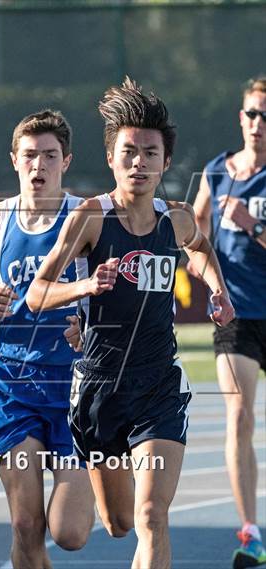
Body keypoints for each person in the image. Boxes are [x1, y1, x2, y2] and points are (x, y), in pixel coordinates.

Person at [27, 77, 235, 569]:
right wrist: (84, 288)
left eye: (150, 152)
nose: (139, 162)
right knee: (120, 522)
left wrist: (217, 289)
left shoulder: (176, 219)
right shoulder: (90, 219)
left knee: (151, 516)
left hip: (159, 385)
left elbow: (201, 250)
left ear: (165, 161)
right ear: (110, 158)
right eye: (128, 152)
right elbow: (37, 294)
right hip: (100, 389)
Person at [0, 109, 95, 569]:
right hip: (15, 382)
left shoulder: (87, 218)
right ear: (14, 160)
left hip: (75, 385)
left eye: (49, 156)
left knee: (68, 534)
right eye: (30, 155)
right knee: (24, 525)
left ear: (65, 162)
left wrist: (89, 327)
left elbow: (119, 298)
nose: (39, 166)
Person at [190, 76, 266, 569]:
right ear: (241, 118)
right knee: (238, 416)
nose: (259, 124)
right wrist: (211, 282)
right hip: (237, 314)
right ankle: (252, 534)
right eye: (253, 114)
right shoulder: (217, 173)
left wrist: (253, 225)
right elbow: (193, 240)